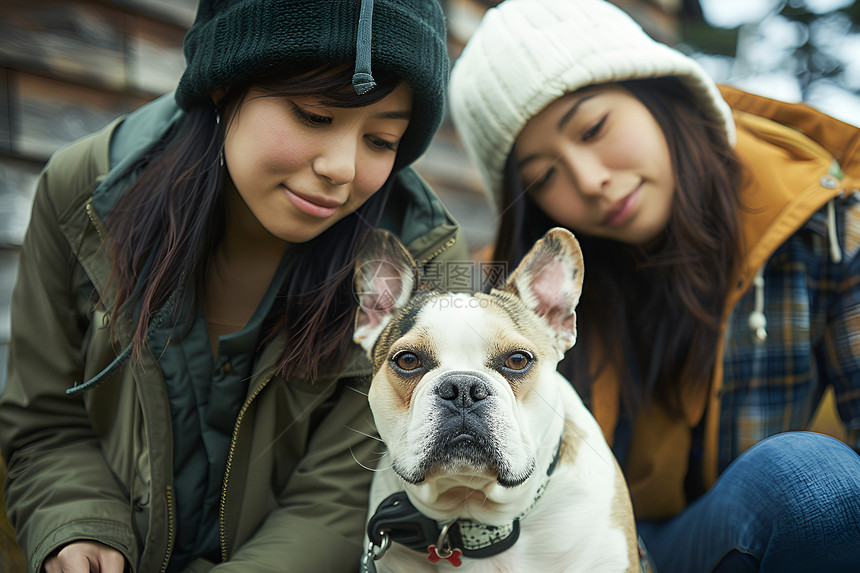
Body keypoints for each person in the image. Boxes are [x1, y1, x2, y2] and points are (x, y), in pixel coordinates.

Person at [0, 0, 467, 571]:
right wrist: (77, 525)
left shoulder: (424, 261)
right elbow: (45, 417)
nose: (342, 167)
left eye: (381, 141)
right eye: (315, 116)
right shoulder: (85, 194)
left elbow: (347, 494)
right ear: (225, 86)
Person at [448, 0, 860, 571]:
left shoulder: (824, 222)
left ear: (662, 93)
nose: (590, 180)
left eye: (594, 128)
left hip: (744, 532)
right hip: (574, 543)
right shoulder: (512, 300)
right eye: (543, 175)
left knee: (812, 481)